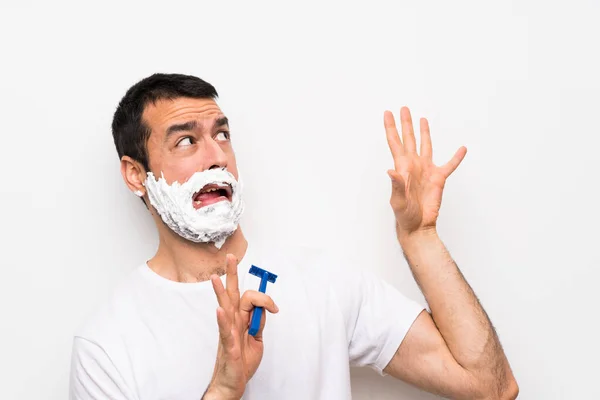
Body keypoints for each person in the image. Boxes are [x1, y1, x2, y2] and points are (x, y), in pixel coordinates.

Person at [69, 73, 518, 400]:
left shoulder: (323, 283)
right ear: (136, 175)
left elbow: (491, 385)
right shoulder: (108, 345)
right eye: (186, 141)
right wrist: (225, 389)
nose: (216, 157)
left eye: (221, 134)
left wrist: (420, 237)